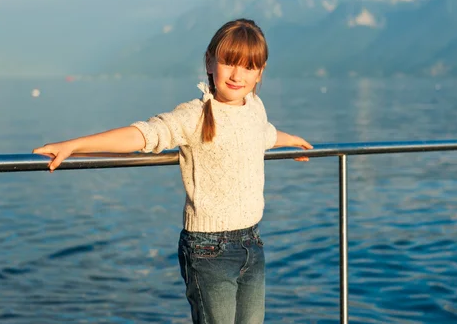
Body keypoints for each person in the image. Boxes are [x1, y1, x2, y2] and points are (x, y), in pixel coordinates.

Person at [33, 18, 312, 324]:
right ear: (209, 61)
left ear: (260, 72)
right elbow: (143, 135)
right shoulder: (195, 115)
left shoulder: (255, 107)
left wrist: (292, 141)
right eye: (228, 62)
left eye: (248, 66)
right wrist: (75, 145)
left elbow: (265, 134)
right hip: (209, 250)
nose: (236, 74)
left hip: (252, 243)